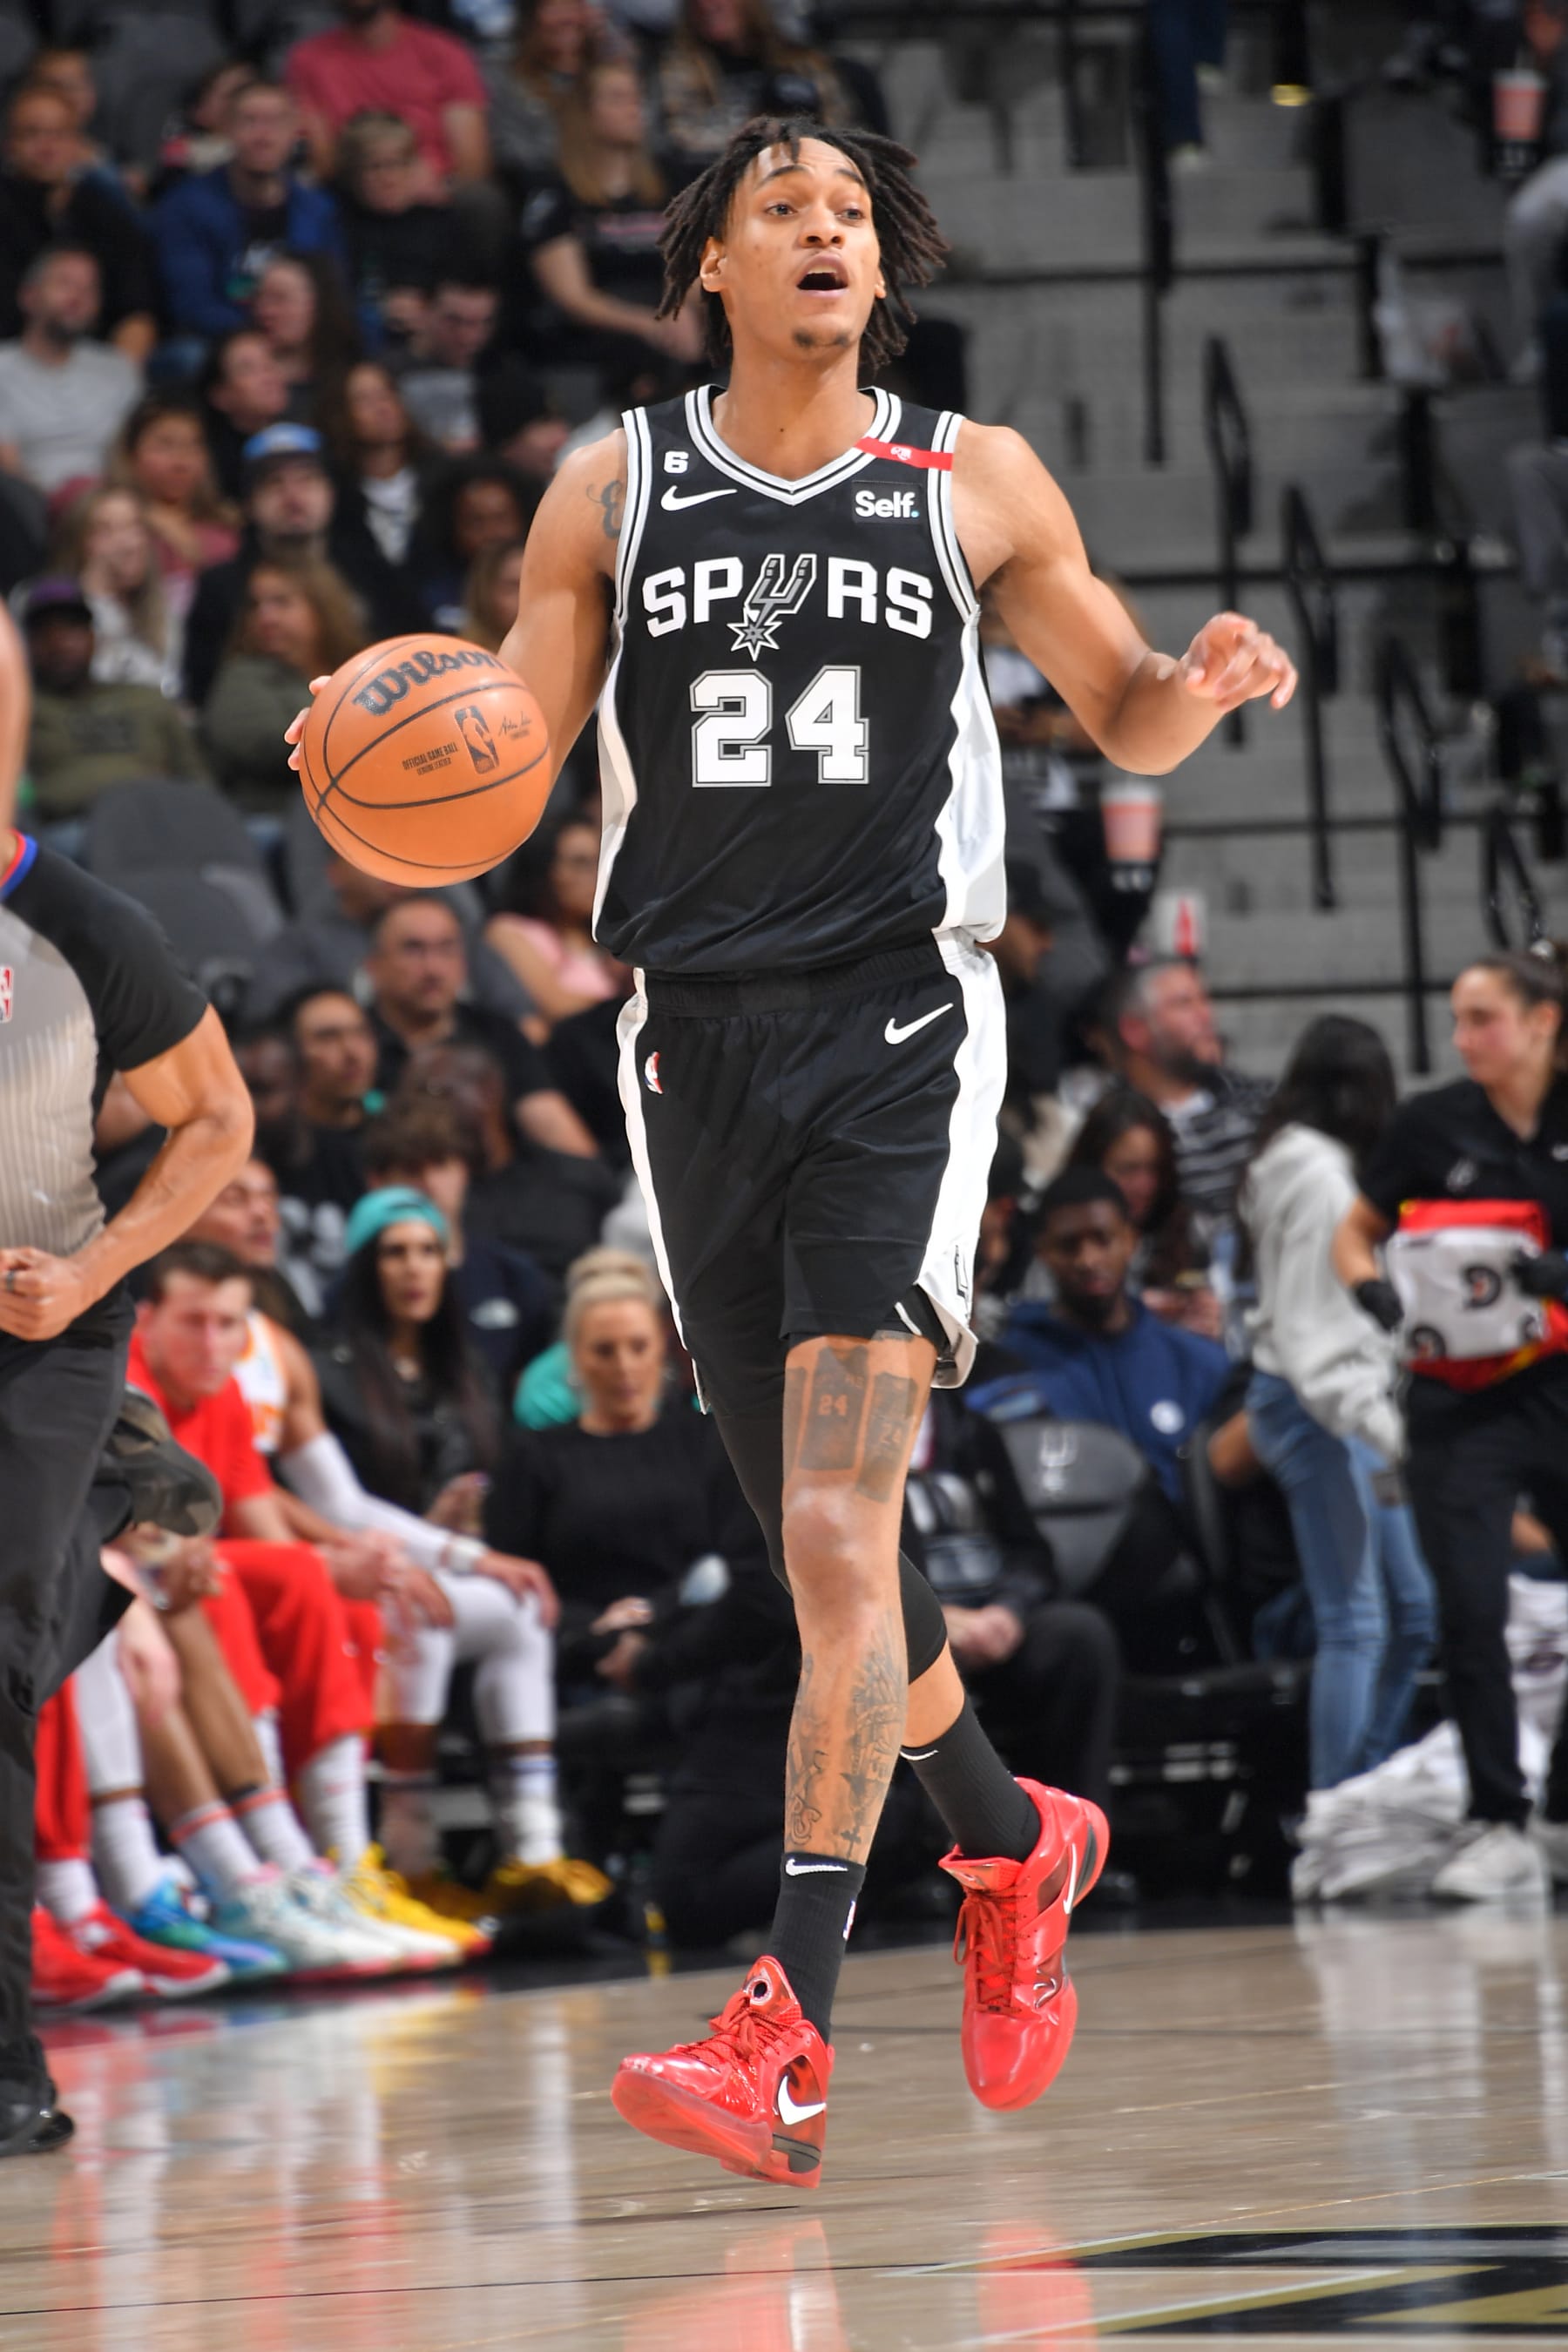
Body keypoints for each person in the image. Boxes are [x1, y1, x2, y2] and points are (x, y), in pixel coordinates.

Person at [286, 112, 1296, 2187]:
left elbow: (1113, 703)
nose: (828, 229)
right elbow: (505, 748)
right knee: (840, 1561)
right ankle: (1016, 1839)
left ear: (881, 262)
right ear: (715, 267)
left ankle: (792, 2025)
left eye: (852, 209)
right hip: (689, 1054)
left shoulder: (969, 473)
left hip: (896, 1031)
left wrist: (1195, 690)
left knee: (836, 1531)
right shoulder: (615, 483)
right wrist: (372, 738)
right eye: (786, 208)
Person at [0, 599, 254, 2157]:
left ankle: (5, 2059)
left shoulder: (81, 922)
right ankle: (98, 1512)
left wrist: (96, 1273)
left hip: (41, 1322)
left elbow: (216, 1118)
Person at [125, 1240, 484, 1960]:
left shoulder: (222, 1389)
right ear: (147, 1319)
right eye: (194, 1322)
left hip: (189, 1572)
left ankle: (345, 1866)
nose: (213, 1341)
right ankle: (278, 1863)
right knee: (258, 1585)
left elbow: (256, 1511)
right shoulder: (127, 1384)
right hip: (138, 1579)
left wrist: (335, 1562)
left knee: (339, 1594)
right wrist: (323, 1561)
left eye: (229, 1324)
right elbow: (146, 1540)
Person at [1335, 947, 1568, 1900]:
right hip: (1455, 1403)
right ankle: (1499, 1816)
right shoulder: (1430, 1125)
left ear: (1543, 1023)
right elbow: (1356, 1228)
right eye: (1460, 1018)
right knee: (1470, 1609)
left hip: (1558, 1388)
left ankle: (1557, 1814)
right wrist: (1371, 1291)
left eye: (1485, 1018)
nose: (1465, 1036)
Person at [1240, 1017, 1436, 1801]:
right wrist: (1394, 1436)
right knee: (1357, 1622)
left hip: (1337, 1408)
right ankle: (1332, 1815)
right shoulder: (1320, 1179)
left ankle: (1364, 1794)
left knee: (1414, 1613)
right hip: (1319, 1411)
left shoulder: (1292, 1159)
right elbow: (1316, 1344)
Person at [1003, 1168, 1231, 1509]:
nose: (1088, 1260)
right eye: (1069, 1245)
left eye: (1103, 1239)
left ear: (1131, 1241)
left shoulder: (1201, 1363)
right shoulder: (1009, 1369)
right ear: (1042, 1252)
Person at [182, 420, 423, 706]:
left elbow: (416, 657)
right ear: (248, 503)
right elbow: (205, 689)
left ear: (330, 494)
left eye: (307, 480)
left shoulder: (373, 572)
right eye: (274, 483)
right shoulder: (220, 587)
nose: (293, 497)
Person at [363, 894, 598, 1158]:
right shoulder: (354, 1043)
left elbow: (557, 1131)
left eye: (446, 948)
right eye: (413, 949)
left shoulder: (498, 1033)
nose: (433, 968)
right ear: (373, 965)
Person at [361, 1103, 558, 1396]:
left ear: (464, 1170)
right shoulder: (357, 1290)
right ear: (377, 1183)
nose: (429, 1185)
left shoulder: (516, 1278)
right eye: (412, 1170)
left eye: (441, 1165)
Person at [523, 62, 700, 377]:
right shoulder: (556, 193)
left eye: (636, 98)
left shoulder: (671, 180)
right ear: (585, 113)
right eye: (618, 99)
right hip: (596, 343)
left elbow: (697, 262)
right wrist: (650, 324)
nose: (634, 109)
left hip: (670, 322)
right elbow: (574, 298)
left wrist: (681, 308)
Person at [394, 1040, 621, 1278]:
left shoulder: (577, 1177)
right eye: (410, 1098)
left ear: (488, 1090)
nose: (422, 1110)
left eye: (435, 1091)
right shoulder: (419, 1194)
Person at [151, 79, 343, 355]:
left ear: (295, 131)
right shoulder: (185, 207)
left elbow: (334, 293)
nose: (263, 137)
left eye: (275, 122)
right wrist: (266, 336)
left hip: (303, 341)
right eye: (250, 122)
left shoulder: (319, 209)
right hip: (221, 344)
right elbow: (192, 304)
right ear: (226, 129)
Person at [1090, 957, 1273, 1232]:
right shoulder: (1104, 1123)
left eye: (1204, 1001)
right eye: (1184, 1004)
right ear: (1134, 1030)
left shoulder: (1260, 1105)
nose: (1206, 1015)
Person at [23, 576, 208, 822]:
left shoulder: (147, 700)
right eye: (45, 632)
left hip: (166, 823)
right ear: (26, 645)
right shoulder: (21, 710)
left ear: (93, 638)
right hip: (71, 828)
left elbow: (199, 781)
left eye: (72, 628)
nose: (59, 643)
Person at [0, 82, 156, 362]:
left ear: (77, 144)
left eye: (59, 134)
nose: (47, 146)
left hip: (95, 369)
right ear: (9, 145)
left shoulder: (106, 212)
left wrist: (116, 382)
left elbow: (137, 311)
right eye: (32, 133)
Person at [200, 557, 365, 809]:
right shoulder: (241, 676)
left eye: (281, 602)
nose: (266, 617)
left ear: (322, 606)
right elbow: (266, 747)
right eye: (256, 606)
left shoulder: (360, 667)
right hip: (272, 816)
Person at [287, 0, 493, 195]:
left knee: (478, 201)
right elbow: (323, 160)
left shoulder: (444, 52)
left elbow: (471, 163)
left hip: (436, 193)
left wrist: (431, 184)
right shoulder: (308, 59)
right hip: (351, 192)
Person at [1064, 1086, 1219, 1335]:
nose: (1145, 1186)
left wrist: (1205, 1319)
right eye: (1128, 1170)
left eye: (1155, 1169)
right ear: (1091, 1166)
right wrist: (1134, 1314)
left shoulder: (1191, 1229)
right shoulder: (1060, 1230)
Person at [655, 0, 868, 173]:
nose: (707, 5)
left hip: (813, 174)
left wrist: (795, 140)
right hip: (722, 183)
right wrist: (757, 139)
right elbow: (680, 140)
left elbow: (845, 130)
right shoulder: (681, 70)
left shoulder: (802, 63)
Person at [0, 247, 141, 497]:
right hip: (27, 511)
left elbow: (133, 458)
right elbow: (8, 468)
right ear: (29, 296)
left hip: (114, 512)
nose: (78, 296)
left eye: (90, 289)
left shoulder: (118, 369)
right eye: (65, 283)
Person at [485, 812, 624, 1031]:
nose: (596, 875)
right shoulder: (509, 930)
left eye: (599, 862)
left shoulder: (605, 938)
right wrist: (625, 1009)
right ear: (545, 869)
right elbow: (558, 1007)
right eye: (580, 863)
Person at [109, 391, 239, 619]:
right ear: (131, 455)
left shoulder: (226, 528)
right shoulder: (112, 522)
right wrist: (144, 512)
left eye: (193, 446)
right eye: (165, 445)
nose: (182, 461)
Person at [334, 112, 451, 356]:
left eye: (398, 164)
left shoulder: (442, 224)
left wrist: (430, 314)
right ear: (353, 173)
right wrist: (376, 311)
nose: (387, 178)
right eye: (374, 166)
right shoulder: (336, 224)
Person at [49, 483, 180, 694]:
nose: (129, 543)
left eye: (135, 527)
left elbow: (169, 686)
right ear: (78, 542)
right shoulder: (44, 604)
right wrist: (96, 595)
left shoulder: (163, 611)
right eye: (106, 531)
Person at [485, 0, 630, 190]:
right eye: (554, 8)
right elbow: (512, 155)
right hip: (539, 190)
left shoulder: (612, 71)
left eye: (575, 6)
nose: (568, 17)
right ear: (531, 16)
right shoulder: (504, 78)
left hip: (617, 188)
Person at [324, 359, 437, 574]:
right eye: (365, 400)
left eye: (387, 394)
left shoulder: (441, 479)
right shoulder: (335, 493)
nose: (382, 407)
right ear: (340, 414)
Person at [411, 454, 535, 628]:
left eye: (501, 518)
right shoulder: (431, 596)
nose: (492, 533)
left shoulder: (548, 582)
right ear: (452, 525)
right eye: (476, 521)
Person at [395, 281, 503, 456]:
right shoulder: (387, 374)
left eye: (483, 323)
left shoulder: (502, 371)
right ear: (425, 311)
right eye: (454, 321)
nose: (469, 337)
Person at [251, 251, 359, 422]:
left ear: (319, 305)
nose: (265, 311)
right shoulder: (245, 387)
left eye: (280, 299)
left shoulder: (353, 381)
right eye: (260, 298)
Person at [200, 328, 292, 501]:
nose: (269, 376)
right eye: (248, 369)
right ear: (220, 396)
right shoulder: (211, 464)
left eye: (271, 362)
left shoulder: (306, 436)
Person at [460, 537, 525, 652]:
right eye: (512, 586)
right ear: (485, 593)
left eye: (531, 586)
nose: (524, 597)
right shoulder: (458, 658)